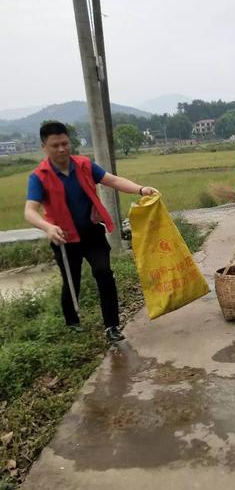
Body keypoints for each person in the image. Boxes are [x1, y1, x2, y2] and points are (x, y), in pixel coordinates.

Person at [24, 121, 158, 342]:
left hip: (92, 233)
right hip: (64, 238)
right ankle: (72, 323)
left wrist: (140, 189)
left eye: (65, 143)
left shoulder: (84, 165)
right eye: (55, 145)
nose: (61, 149)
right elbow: (30, 211)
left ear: (70, 142)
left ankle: (112, 326)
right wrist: (48, 227)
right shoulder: (39, 176)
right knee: (71, 280)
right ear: (44, 147)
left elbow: (112, 180)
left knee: (104, 273)